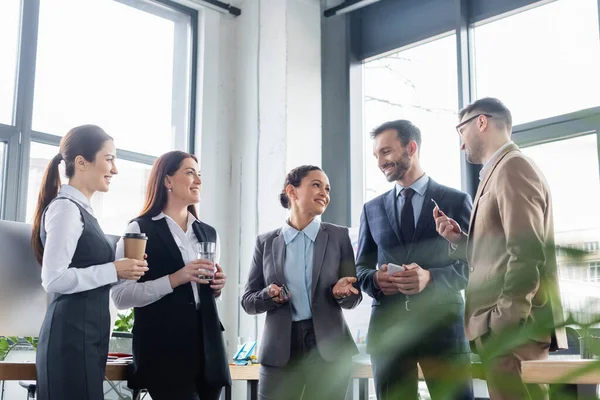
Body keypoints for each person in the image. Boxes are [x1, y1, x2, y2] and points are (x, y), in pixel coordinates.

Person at [434, 97, 567, 400]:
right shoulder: (500, 171)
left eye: (461, 131)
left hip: (513, 331)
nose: (461, 143)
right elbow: (502, 253)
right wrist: (461, 240)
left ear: (481, 122)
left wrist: (504, 321)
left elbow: (527, 252)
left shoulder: (513, 167)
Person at [356, 120, 474, 400]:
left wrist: (431, 277)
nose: (380, 162)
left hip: (444, 332)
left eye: (386, 152)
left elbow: (476, 265)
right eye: (376, 156)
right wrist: (374, 279)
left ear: (411, 147)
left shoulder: (456, 201)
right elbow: (360, 267)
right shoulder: (371, 209)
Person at [31, 125, 148, 400]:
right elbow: (54, 279)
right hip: (70, 336)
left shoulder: (83, 211)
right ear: (82, 162)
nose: (115, 169)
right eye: (109, 159)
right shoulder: (65, 209)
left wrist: (123, 271)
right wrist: (113, 269)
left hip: (86, 336)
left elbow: (89, 274)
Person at [111, 150, 230, 400]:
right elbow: (121, 297)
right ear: (167, 181)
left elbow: (201, 293)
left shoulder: (208, 233)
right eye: (190, 173)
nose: (198, 180)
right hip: (163, 348)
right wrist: (176, 278)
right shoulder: (139, 228)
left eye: (199, 175)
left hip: (208, 346)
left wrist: (216, 288)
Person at [241, 165, 361, 400]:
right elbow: (248, 301)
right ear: (292, 192)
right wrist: (268, 295)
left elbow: (354, 297)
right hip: (280, 349)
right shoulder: (265, 242)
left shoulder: (339, 237)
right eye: (316, 185)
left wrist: (342, 293)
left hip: (329, 348)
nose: (324, 193)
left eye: (327, 188)